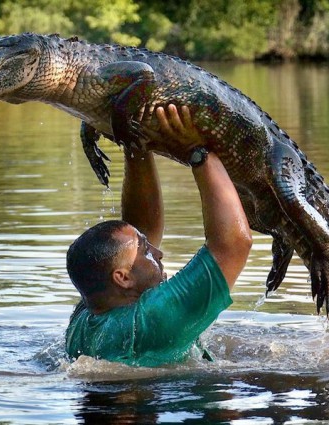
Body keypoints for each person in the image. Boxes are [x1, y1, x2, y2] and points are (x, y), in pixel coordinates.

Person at [65, 104, 252, 367]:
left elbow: (137, 232)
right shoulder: (152, 320)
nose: (158, 252)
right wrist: (198, 151)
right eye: (146, 251)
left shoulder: (86, 318)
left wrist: (135, 144)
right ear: (122, 278)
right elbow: (233, 244)